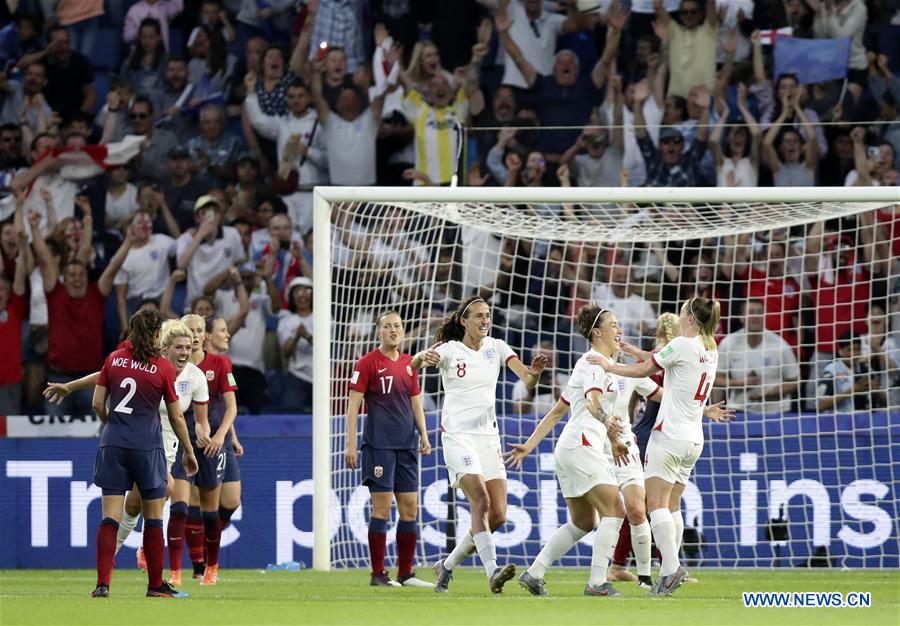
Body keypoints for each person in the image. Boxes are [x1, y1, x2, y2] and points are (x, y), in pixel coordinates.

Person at [42, 320, 211, 577]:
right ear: (165, 347)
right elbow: (107, 375)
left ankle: (125, 556)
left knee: (143, 501)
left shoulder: (195, 377)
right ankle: (139, 555)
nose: (185, 352)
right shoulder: (151, 365)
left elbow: (193, 419)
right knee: (144, 499)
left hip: (166, 446)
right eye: (179, 347)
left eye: (188, 348)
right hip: (140, 441)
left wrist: (199, 436)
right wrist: (71, 386)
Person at [591, 296, 730, 596]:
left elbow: (643, 371)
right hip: (694, 438)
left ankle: (670, 569)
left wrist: (610, 365)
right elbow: (667, 361)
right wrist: (638, 352)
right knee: (672, 505)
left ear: (690, 318)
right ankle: (672, 566)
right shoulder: (709, 348)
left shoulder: (681, 344)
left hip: (669, 436)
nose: (679, 316)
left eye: (682, 312)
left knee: (655, 505)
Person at [414, 295, 548, 594]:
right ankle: (492, 572)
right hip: (458, 437)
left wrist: (536, 373)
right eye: (478, 315)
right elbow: (415, 363)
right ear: (464, 320)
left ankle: (446, 565)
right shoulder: (449, 350)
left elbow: (527, 380)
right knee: (481, 501)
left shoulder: (497, 347)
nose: (485, 320)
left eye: (487, 315)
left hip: (488, 438)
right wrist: (423, 357)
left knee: (498, 515)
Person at [502, 305, 633, 598]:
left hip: (571, 447)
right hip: (582, 445)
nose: (619, 329)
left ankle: (534, 573)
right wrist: (607, 423)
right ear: (597, 332)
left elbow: (557, 412)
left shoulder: (588, 366)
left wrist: (529, 445)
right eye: (613, 325)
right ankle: (597, 583)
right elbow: (593, 402)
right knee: (615, 510)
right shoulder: (594, 364)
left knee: (584, 522)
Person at [89, 309, 198, 598]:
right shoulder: (162, 368)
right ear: (156, 334)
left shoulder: (113, 359)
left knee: (109, 518)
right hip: (147, 448)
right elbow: (176, 417)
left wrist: (112, 425)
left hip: (113, 444)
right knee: (153, 518)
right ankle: (155, 585)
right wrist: (189, 451)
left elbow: (97, 403)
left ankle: (102, 584)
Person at [344, 310, 434, 587]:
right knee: (381, 509)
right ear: (379, 332)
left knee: (410, 510)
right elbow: (353, 406)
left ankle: (405, 574)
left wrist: (424, 434)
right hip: (379, 446)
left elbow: (416, 402)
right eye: (387, 326)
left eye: (397, 326)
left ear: (403, 331)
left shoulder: (410, 364)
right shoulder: (366, 363)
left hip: (407, 445)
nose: (393, 330)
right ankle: (378, 574)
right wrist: (350, 444)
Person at [715, 299, 800, 415]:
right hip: (739, 410)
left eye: (759, 312)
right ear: (741, 317)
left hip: (775, 412)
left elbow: (795, 381)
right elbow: (716, 378)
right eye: (751, 312)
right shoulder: (729, 343)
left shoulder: (780, 345)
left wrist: (768, 394)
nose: (755, 316)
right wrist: (739, 383)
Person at [203, 316, 244, 545]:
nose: (227, 335)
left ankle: (205, 542)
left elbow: (227, 406)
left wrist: (232, 436)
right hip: (199, 439)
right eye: (222, 330)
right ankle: (202, 552)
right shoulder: (193, 362)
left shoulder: (224, 362)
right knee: (197, 504)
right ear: (208, 335)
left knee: (231, 501)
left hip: (222, 438)